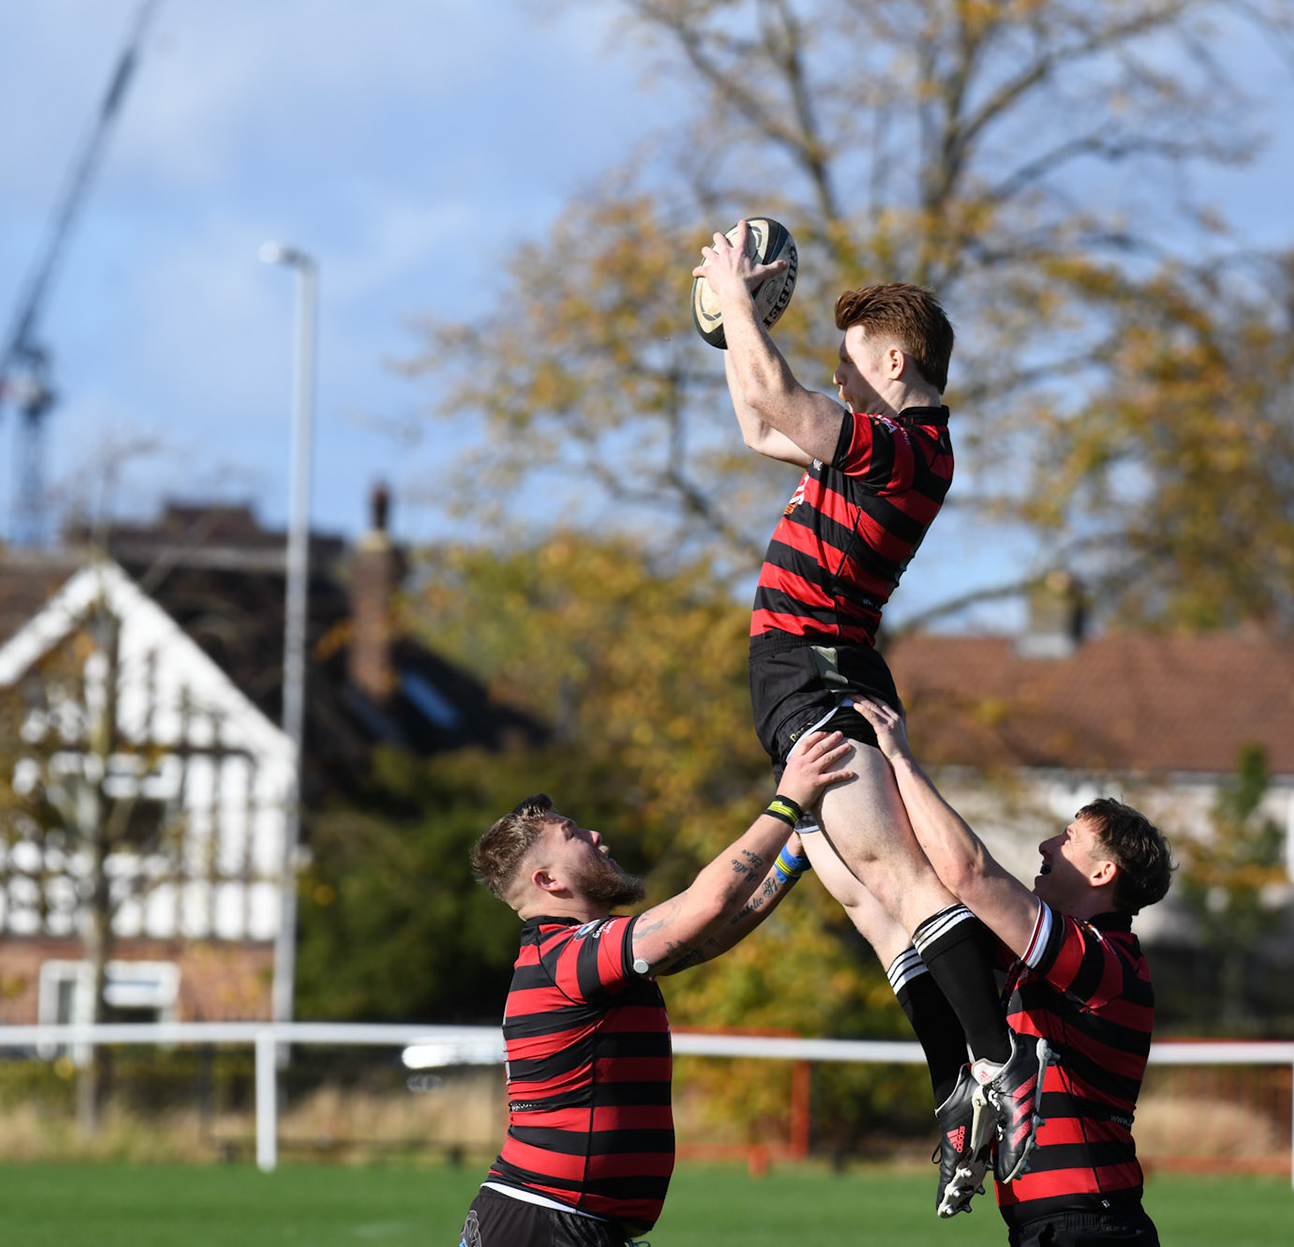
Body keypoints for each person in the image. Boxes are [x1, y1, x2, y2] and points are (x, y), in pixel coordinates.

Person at [695, 227, 1042, 1215]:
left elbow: (784, 405)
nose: (838, 383)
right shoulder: (878, 445)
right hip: (803, 672)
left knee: (901, 876)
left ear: (894, 362)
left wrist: (734, 297)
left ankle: (999, 1061)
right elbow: (765, 424)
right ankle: (959, 1086)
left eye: (849, 365)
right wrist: (738, 335)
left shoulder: (901, 446)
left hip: (815, 670)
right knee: (867, 898)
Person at [459, 729, 853, 1247]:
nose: (597, 836)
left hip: (561, 1219)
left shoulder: (575, 954)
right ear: (547, 882)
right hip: (544, 1223)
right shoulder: (569, 955)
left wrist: (793, 851)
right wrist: (786, 803)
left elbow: (707, 936)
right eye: (573, 834)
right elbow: (703, 907)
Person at [854, 696, 1174, 1246]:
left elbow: (969, 873)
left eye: (1068, 838)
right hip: (1058, 1225)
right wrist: (811, 822)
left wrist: (901, 760)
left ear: (1103, 872)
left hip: (1093, 1225)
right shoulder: (1050, 958)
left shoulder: (1107, 963)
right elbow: (911, 900)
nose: (1047, 844)